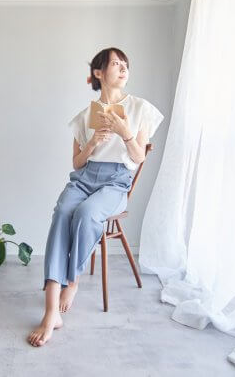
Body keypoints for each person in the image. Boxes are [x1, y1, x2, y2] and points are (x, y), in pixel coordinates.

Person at [27, 47, 165, 347]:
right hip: (85, 178)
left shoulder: (140, 109)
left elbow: (139, 157)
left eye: (125, 63)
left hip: (116, 182)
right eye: (116, 63)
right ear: (98, 73)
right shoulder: (83, 117)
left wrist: (125, 133)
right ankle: (51, 312)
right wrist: (92, 143)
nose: (123, 67)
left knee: (86, 214)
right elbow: (77, 163)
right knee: (62, 212)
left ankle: (72, 282)